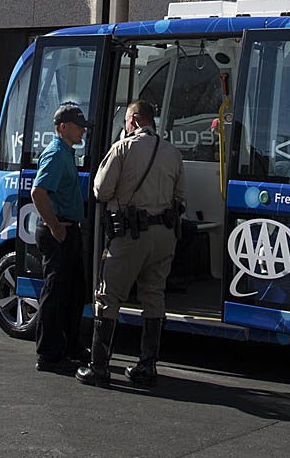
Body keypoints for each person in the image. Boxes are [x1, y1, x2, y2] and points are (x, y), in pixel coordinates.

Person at [76, 100, 185, 387]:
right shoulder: (173, 153)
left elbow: (101, 189)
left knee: (109, 296)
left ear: (134, 120)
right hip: (164, 235)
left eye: (126, 120)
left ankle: (99, 367)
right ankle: (147, 366)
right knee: (154, 294)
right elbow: (181, 196)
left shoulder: (123, 149)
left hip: (130, 235)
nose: (125, 125)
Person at [31, 103, 92, 373]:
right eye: (78, 127)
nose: (82, 132)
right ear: (63, 127)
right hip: (59, 231)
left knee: (74, 292)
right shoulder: (56, 154)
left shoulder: (67, 153)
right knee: (55, 295)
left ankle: (69, 347)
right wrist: (55, 226)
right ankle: (48, 354)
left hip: (69, 229)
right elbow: (38, 192)